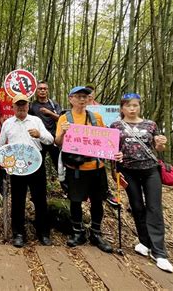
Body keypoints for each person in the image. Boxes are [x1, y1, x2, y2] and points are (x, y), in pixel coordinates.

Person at [110, 93, 173, 272]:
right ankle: (144, 242)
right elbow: (111, 149)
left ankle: (159, 252)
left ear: (139, 107)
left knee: (154, 207)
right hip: (127, 171)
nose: (132, 109)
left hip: (150, 171)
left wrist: (161, 144)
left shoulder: (150, 125)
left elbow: (158, 147)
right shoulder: (115, 126)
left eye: (135, 105)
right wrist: (116, 155)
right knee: (137, 206)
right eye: (128, 105)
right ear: (122, 108)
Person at [55, 86, 122, 253]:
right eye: (78, 96)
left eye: (85, 96)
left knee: (97, 201)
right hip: (75, 168)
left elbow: (107, 140)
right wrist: (63, 133)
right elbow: (57, 143)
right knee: (75, 200)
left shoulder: (96, 117)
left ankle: (96, 233)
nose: (82, 99)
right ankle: (78, 232)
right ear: (70, 98)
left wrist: (116, 153)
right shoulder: (64, 118)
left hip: (96, 167)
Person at [0, 94, 54, 248]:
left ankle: (43, 232)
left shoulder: (36, 121)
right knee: (17, 200)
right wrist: (1, 160)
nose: (21, 108)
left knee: (40, 199)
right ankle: (18, 233)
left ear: (28, 106)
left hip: (36, 165)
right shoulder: (8, 123)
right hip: (16, 168)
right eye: (18, 105)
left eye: (24, 105)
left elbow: (50, 139)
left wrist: (39, 134)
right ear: (13, 107)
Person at [85, 83, 119, 208]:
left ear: (94, 94)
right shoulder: (78, 108)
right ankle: (86, 192)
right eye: (87, 93)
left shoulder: (101, 108)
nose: (89, 96)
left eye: (91, 93)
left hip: (100, 143)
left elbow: (111, 125)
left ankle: (104, 192)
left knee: (99, 167)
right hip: (84, 143)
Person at [28, 80, 62, 177]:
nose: (42, 91)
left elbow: (61, 118)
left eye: (45, 89)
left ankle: (66, 188)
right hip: (39, 139)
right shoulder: (32, 105)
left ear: (47, 91)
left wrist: (49, 113)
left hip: (53, 138)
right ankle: (41, 189)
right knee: (38, 164)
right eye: (40, 89)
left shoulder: (53, 104)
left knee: (58, 164)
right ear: (36, 91)